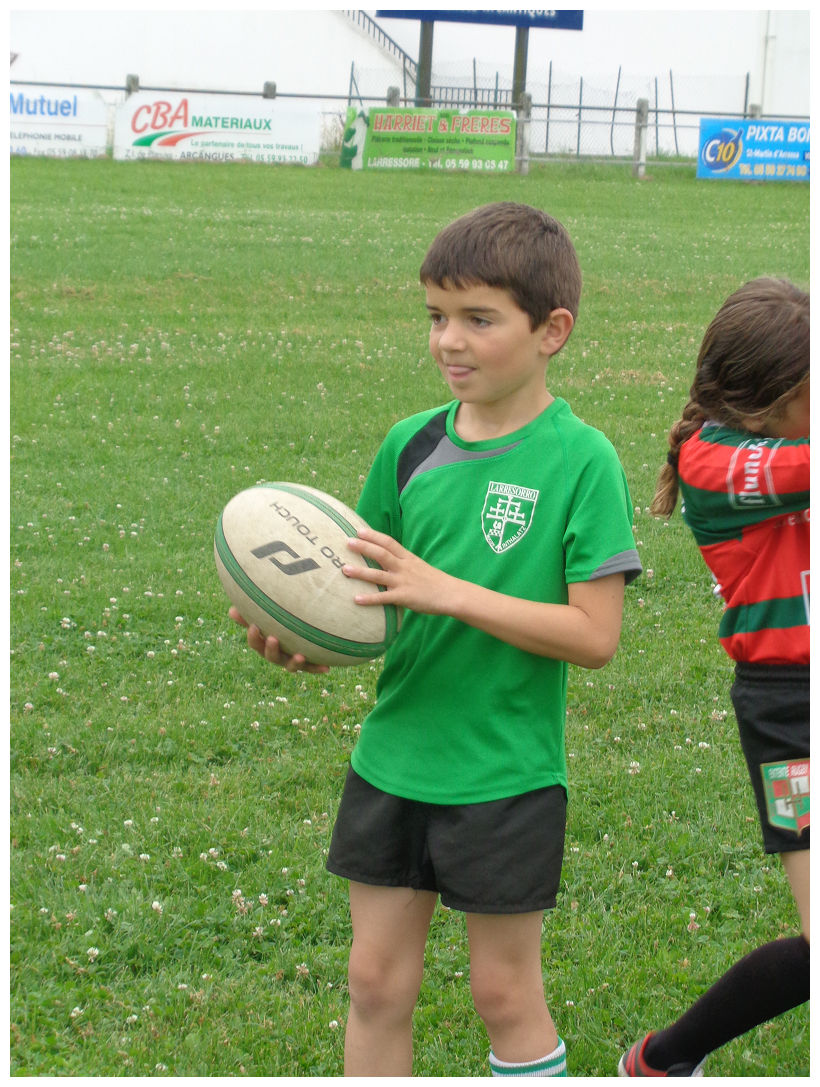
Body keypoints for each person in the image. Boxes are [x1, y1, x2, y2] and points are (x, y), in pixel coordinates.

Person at [231, 202, 642, 1077]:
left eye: (478, 319)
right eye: (436, 316)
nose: (449, 340)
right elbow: (362, 597)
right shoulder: (409, 445)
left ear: (552, 330)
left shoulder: (582, 460)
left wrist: (452, 593)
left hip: (504, 772)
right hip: (393, 758)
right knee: (374, 980)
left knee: (503, 993)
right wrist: (302, 639)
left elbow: (595, 635)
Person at [619, 278, 810, 1077]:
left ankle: (665, 1058)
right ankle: (664, 1059)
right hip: (788, 721)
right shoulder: (710, 460)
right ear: (768, 402)